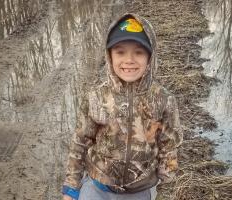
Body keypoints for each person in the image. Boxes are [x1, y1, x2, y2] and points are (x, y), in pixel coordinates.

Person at [62, 13, 183, 200]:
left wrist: (166, 191)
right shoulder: (96, 96)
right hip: (97, 188)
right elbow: (79, 142)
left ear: (150, 57)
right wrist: (71, 187)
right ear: (109, 56)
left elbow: (170, 148)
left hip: (140, 191)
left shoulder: (164, 99)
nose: (129, 60)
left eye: (139, 52)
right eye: (120, 51)